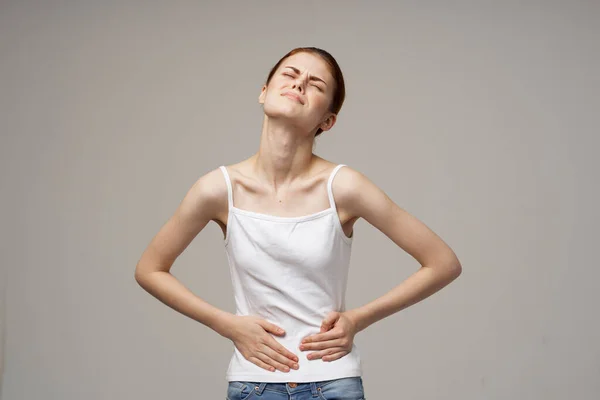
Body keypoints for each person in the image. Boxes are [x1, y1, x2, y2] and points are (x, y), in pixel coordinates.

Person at [134, 46, 462, 400]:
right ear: (264, 91)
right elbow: (150, 269)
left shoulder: (344, 186)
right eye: (290, 74)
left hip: (333, 382)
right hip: (253, 385)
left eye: (316, 84)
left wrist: (359, 319)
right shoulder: (218, 189)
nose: (300, 83)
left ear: (327, 121)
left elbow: (443, 263)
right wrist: (224, 323)